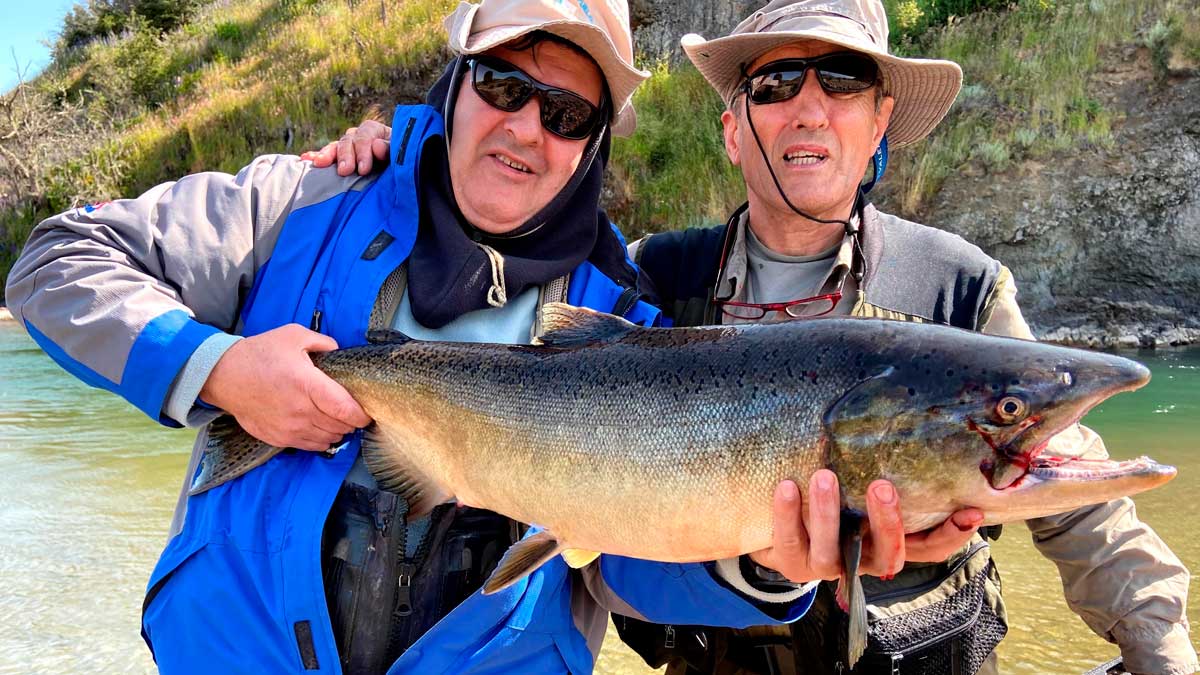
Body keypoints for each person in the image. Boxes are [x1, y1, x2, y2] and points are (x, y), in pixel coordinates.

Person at [3, 0, 984, 673]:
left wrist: (769, 564)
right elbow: (56, 261)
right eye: (503, 86)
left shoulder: (627, 315)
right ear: (454, 84)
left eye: (566, 113)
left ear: (594, 141)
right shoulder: (297, 204)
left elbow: (628, 564)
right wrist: (213, 366)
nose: (525, 129)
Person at [310, 1, 1197, 673]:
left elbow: (1085, 503)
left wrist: (1163, 650)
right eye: (776, 84)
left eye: (842, 80)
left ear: (880, 121)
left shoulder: (960, 289)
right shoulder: (649, 280)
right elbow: (489, 226)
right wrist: (399, 152)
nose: (809, 108)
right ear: (735, 132)